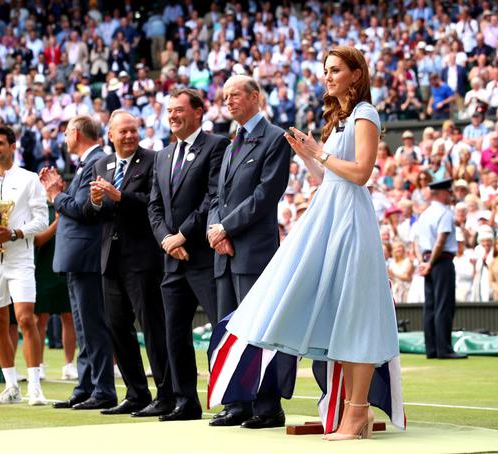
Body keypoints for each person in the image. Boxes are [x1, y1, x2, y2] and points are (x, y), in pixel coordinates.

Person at [223, 47, 401, 440]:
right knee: (340, 311)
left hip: (351, 220)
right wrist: (308, 156)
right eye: (326, 70)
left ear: (356, 74)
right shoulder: (337, 120)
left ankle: (357, 414)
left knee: (356, 313)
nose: (328, 76)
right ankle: (351, 412)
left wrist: (318, 152)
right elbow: (330, 176)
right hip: (329, 215)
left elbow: (362, 174)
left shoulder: (364, 114)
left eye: (336, 70)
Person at [206, 75, 290, 429]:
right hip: (225, 251)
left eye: (235, 95)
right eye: (225, 96)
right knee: (229, 331)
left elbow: (266, 195)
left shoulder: (274, 138)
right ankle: (237, 402)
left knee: (258, 330)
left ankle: (268, 406)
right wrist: (215, 228)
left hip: (253, 252)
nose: (228, 101)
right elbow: (217, 197)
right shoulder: (232, 142)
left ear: (255, 97)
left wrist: (226, 227)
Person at [83, 109, 173, 417]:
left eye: (133, 130)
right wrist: (96, 201)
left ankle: (166, 393)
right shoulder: (102, 164)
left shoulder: (154, 160)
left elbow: (153, 204)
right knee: (117, 327)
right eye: (123, 131)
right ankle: (136, 393)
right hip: (111, 258)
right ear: (110, 135)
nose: (129, 136)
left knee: (152, 327)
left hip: (143, 257)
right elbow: (96, 212)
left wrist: (119, 196)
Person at [148, 88, 229, 421]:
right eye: (169, 111)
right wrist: (167, 239)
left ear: (199, 112)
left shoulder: (216, 145)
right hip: (172, 260)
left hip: (203, 257)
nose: (173, 116)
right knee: (174, 333)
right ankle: (185, 401)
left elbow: (213, 198)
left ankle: (230, 399)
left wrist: (182, 234)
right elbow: (154, 206)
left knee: (220, 331)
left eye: (179, 109)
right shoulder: (163, 155)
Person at [39, 115, 117, 410]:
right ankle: (86, 386)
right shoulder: (87, 163)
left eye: (66, 133)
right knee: (84, 326)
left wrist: (56, 194)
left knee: (92, 324)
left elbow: (85, 210)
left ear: (75, 133)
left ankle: (103, 389)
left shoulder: (97, 161)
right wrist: (62, 192)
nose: (64, 139)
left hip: (87, 257)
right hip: (77, 258)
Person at [0, 125, 50, 405]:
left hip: (20, 258)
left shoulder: (29, 180)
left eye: (1, 143)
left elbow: (41, 219)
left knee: (27, 319)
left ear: (12, 146)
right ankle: (11, 387)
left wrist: (14, 233)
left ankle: (35, 387)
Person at [415, 179, 468, 359]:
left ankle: (432, 349)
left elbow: (416, 242)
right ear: (443, 193)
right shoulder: (444, 213)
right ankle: (444, 349)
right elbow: (441, 239)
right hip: (441, 261)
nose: (451, 195)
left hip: (427, 259)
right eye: (449, 192)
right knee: (443, 305)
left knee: (430, 306)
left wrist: (423, 261)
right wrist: (429, 264)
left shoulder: (425, 213)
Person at [33, 189, 77, 381]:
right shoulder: (39, 210)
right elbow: (38, 240)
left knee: (69, 317)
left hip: (65, 269)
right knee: (39, 319)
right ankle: (38, 365)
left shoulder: (69, 205)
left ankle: (69, 365)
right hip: (42, 271)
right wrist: (57, 222)